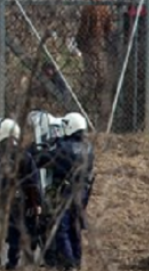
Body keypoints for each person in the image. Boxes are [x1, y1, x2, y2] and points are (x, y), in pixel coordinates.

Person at [36, 112, 94, 270]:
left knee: (62, 229)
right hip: (82, 193)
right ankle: (76, 261)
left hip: (66, 194)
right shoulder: (89, 147)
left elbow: (43, 160)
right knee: (76, 230)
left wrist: (47, 145)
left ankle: (69, 264)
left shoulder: (64, 147)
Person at [0, 118, 42, 270]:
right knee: (16, 233)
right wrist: (37, 203)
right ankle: (13, 263)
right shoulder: (25, 155)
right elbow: (34, 182)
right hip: (20, 201)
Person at [76, 0, 114, 125]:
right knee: (101, 74)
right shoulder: (104, 7)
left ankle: (88, 100)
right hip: (101, 43)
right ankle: (99, 98)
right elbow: (109, 27)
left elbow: (84, 29)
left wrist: (79, 41)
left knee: (90, 74)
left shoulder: (88, 9)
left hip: (89, 44)